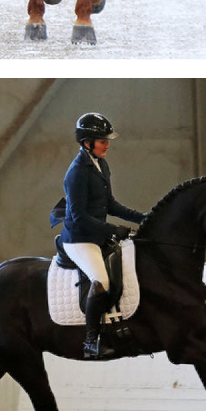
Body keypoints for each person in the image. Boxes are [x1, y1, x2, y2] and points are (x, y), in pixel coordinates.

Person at [60, 113, 146, 359]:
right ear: (87, 142)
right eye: (101, 140)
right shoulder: (76, 172)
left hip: (96, 233)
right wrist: (112, 229)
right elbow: (78, 216)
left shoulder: (101, 164)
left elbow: (110, 204)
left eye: (107, 140)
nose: (107, 144)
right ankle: (90, 342)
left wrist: (142, 217)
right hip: (79, 239)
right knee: (101, 281)